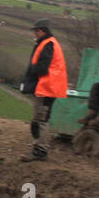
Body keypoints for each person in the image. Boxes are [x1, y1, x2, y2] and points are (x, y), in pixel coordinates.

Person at [20, 20, 68, 162]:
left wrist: (31, 74)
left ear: (43, 31)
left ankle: (41, 151)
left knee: (42, 119)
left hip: (48, 87)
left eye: (37, 30)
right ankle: (39, 146)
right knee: (40, 118)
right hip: (48, 86)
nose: (35, 33)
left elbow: (42, 67)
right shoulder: (48, 43)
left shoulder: (48, 44)